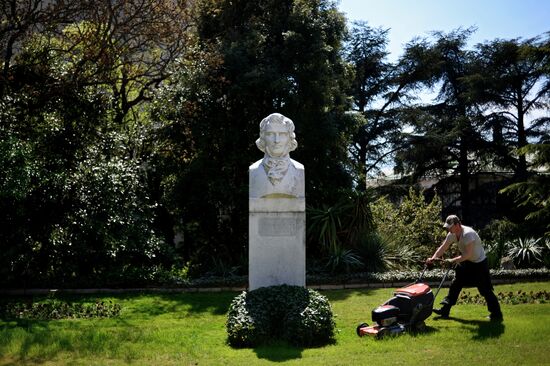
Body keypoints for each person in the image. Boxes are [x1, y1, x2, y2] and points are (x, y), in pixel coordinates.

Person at [426, 215, 503, 321]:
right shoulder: (452, 234)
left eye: (450, 226)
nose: (448, 229)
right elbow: (443, 247)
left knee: (485, 289)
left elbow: (468, 254)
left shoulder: (468, 234)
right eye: (448, 227)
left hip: (479, 263)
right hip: (466, 262)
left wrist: (452, 260)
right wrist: (433, 258)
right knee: (456, 284)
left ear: (458, 224)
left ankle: (496, 314)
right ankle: (445, 310)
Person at [249, 113, 304, 199]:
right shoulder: (254, 170)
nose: (276, 140)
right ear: (263, 137)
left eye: (282, 134)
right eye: (270, 134)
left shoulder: (299, 170)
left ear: (290, 138)